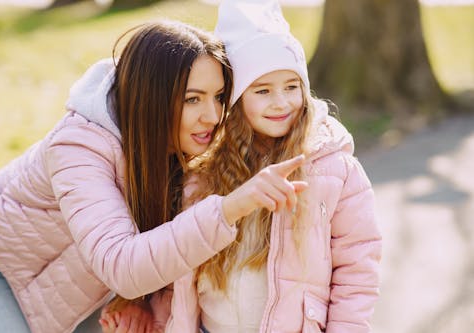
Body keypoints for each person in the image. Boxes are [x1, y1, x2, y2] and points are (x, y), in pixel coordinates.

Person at [0, 19, 309, 333]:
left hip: (69, 285)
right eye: (193, 99)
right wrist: (229, 208)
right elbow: (121, 262)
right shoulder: (78, 148)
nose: (212, 115)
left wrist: (139, 302)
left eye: (219, 97)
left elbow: (162, 238)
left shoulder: (179, 141)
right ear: (152, 98)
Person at [101, 1, 382, 332]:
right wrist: (154, 319)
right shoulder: (202, 174)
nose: (281, 102)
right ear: (235, 99)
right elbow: (179, 272)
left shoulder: (335, 170)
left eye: (292, 87)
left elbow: (357, 269)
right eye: (262, 90)